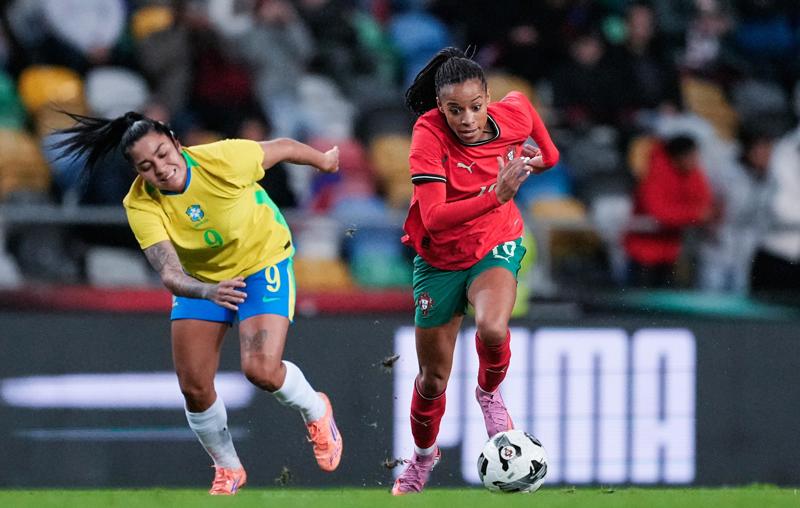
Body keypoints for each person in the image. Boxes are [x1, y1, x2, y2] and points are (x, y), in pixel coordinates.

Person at [52, 111, 343, 495]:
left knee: (261, 370)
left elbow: (284, 147)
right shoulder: (140, 204)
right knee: (193, 385)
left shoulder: (223, 159)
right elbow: (170, 274)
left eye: (162, 153)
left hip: (262, 261)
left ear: (175, 141)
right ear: (138, 172)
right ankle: (228, 469)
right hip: (202, 281)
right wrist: (208, 290)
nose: (160, 167)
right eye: (146, 166)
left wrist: (323, 160)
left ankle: (316, 410)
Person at [393, 47, 559, 495]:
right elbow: (434, 218)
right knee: (432, 380)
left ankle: (489, 394)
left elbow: (551, 156)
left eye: (474, 106)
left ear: (488, 98)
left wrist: (531, 163)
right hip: (439, 259)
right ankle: (423, 459)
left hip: (494, 244)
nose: (466, 118)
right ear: (440, 107)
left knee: (491, 327)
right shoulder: (427, 133)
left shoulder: (518, 111)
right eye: (454, 110)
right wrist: (497, 193)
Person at [624, 134, 712, 288]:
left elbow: (704, 202)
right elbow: (658, 213)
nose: (695, 160)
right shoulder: (655, 174)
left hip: (670, 250)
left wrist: (694, 213)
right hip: (644, 252)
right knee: (641, 303)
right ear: (679, 156)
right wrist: (693, 215)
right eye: (691, 156)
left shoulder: (692, 173)